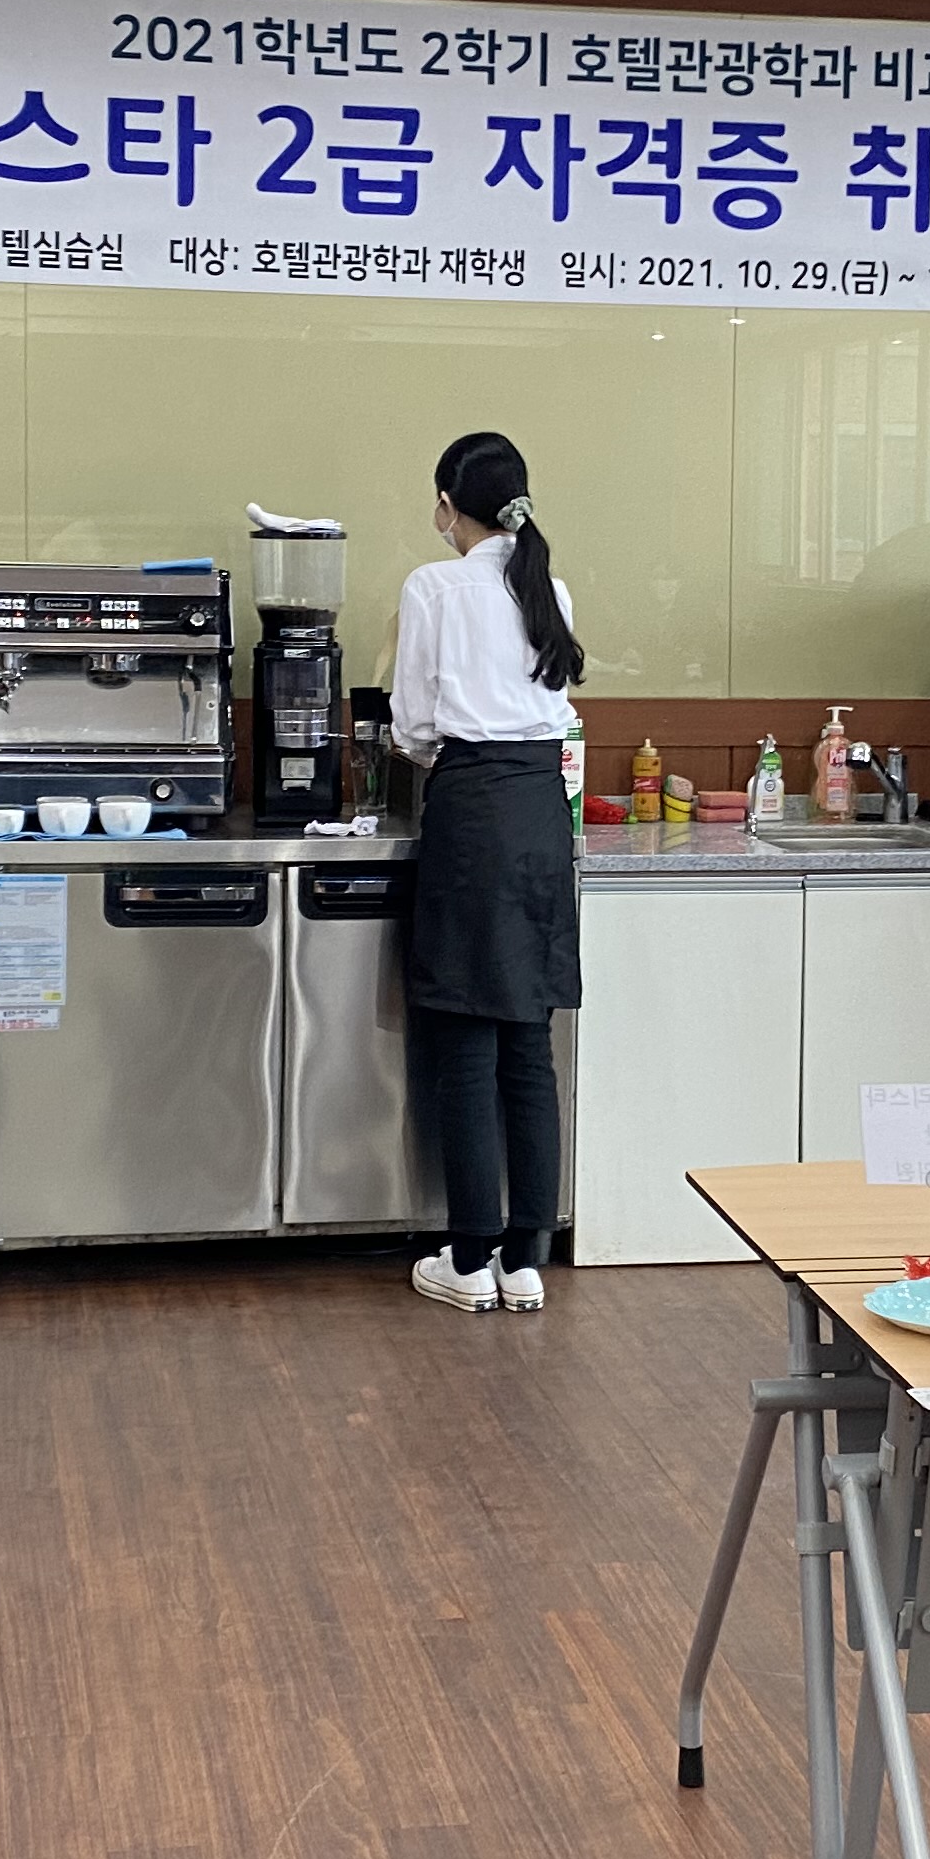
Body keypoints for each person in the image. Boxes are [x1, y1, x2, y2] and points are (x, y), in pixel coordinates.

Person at [392, 431, 584, 1314]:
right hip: (543, 811)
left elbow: (414, 726)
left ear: (447, 505)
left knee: (467, 1044)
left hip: (471, 809)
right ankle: (526, 1261)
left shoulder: (434, 586)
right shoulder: (552, 588)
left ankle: (467, 1261)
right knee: (527, 1047)